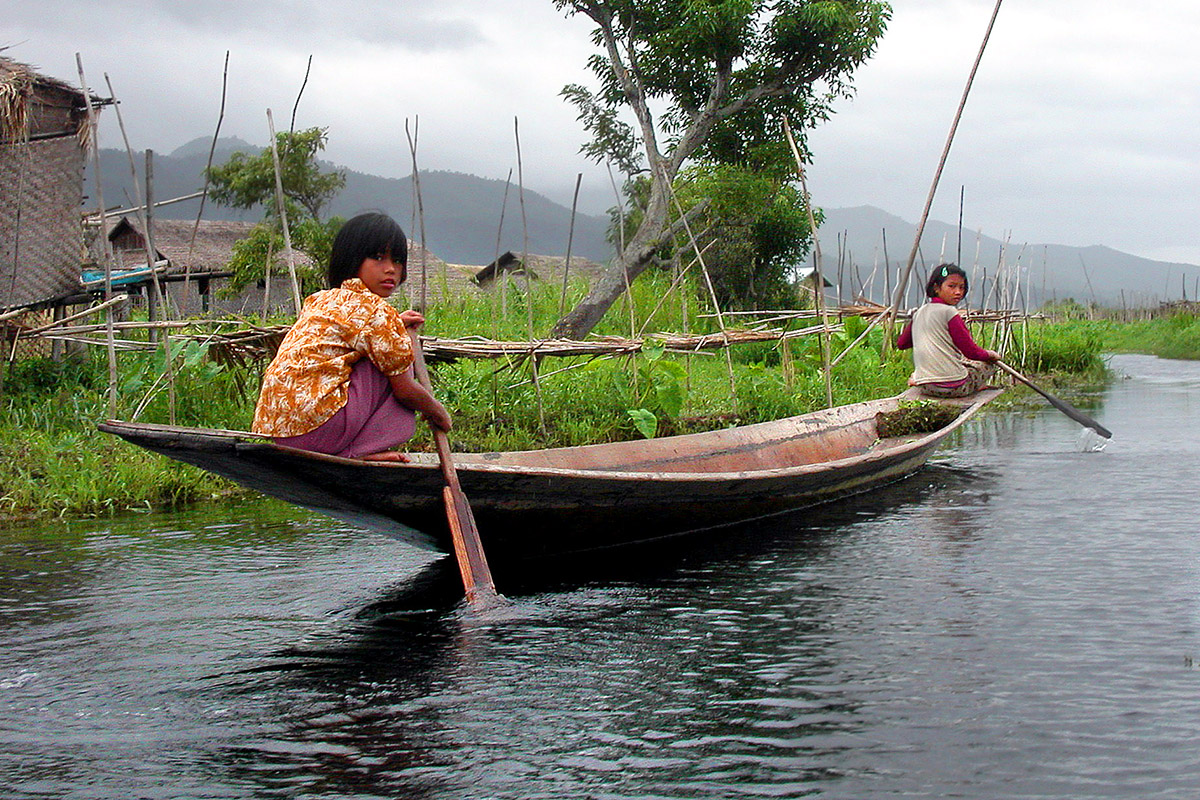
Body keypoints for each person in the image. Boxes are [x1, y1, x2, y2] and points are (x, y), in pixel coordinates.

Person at [252, 212, 451, 461]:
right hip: (320, 430)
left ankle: (352, 448)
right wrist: (437, 410)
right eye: (378, 257)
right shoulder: (376, 311)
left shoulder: (321, 299)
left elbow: (350, 333)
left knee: (387, 345)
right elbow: (405, 391)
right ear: (352, 259)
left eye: (397, 260)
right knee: (396, 358)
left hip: (279, 429)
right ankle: (358, 451)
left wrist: (394, 324)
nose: (390, 269)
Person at [896, 263, 999, 398]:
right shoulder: (949, 312)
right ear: (937, 288)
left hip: (926, 386)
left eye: (961, 287)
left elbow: (902, 344)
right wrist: (991, 355)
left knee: (963, 363)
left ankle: (916, 378)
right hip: (955, 388)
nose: (958, 292)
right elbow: (971, 352)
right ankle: (976, 386)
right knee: (987, 365)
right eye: (952, 286)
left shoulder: (919, 312)